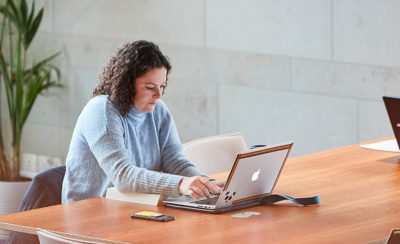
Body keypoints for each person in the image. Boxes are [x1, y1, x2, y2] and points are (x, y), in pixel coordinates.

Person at [61, 40, 223, 203]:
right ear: (127, 85)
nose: (159, 95)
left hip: (131, 208)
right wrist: (181, 184)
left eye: (162, 86)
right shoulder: (101, 111)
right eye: (150, 87)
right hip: (88, 216)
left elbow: (175, 163)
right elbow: (123, 175)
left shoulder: (158, 110)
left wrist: (207, 185)